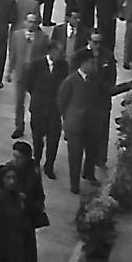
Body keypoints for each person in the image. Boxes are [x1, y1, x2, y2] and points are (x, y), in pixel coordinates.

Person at [24, 40, 67, 180]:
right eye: (59, 52)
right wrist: (37, 97)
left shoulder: (64, 66)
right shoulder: (36, 64)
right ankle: (36, 162)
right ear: (51, 51)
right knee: (37, 138)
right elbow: (29, 84)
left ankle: (49, 166)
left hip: (54, 110)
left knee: (53, 139)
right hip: (39, 108)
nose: (62, 54)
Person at [57, 49, 97, 194]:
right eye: (92, 63)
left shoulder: (94, 79)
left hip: (90, 124)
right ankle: (74, 184)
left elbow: (104, 93)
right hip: (75, 125)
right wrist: (67, 119)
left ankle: (89, 173)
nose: (94, 65)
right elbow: (61, 102)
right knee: (75, 156)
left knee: (92, 151)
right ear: (84, 63)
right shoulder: (71, 81)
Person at [7, 13, 49, 139]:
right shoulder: (17, 35)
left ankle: (39, 127)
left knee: (37, 103)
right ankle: (19, 127)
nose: (31, 24)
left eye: (34, 22)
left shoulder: (43, 38)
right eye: (29, 21)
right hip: (21, 72)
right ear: (25, 22)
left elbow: (45, 57)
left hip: (36, 75)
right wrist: (9, 71)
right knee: (19, 102)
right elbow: (13, 53)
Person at [0, 164, 35, 262]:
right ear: (2, 179)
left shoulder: (18, 196)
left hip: (20, 245)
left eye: (14, 177)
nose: (12, 181)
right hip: (6, 248)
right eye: (8, 178)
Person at [88, 35, 117, 167]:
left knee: (103, 129)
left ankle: (101, 158)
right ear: (89, 42)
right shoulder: (83, 55)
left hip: (102, 99)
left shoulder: (108, 56)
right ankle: (89, 157)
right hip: (86, 99)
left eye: (100, 42)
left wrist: (105, 90)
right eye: (94, 42)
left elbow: (112, 76)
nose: (97, 45)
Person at [8, 141, 47, 233]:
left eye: (19, 157)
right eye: (14, 156)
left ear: (27, 158)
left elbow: (38, 191)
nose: (15, 160)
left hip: (28, 214)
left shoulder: (33, 170)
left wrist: (38, 205)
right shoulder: (7, 170)